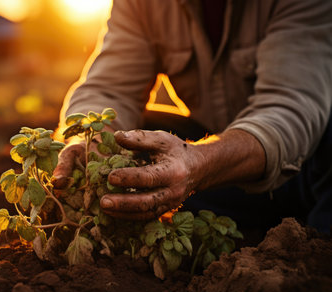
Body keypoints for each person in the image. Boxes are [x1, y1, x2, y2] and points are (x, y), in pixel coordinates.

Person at [53, 0, 332, 232]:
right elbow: (109, 89)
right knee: (131, 140)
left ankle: (316, 248)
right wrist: (88, 144)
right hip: (226, 177)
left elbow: (290, 108)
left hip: (309, 170)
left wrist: (199, 162)